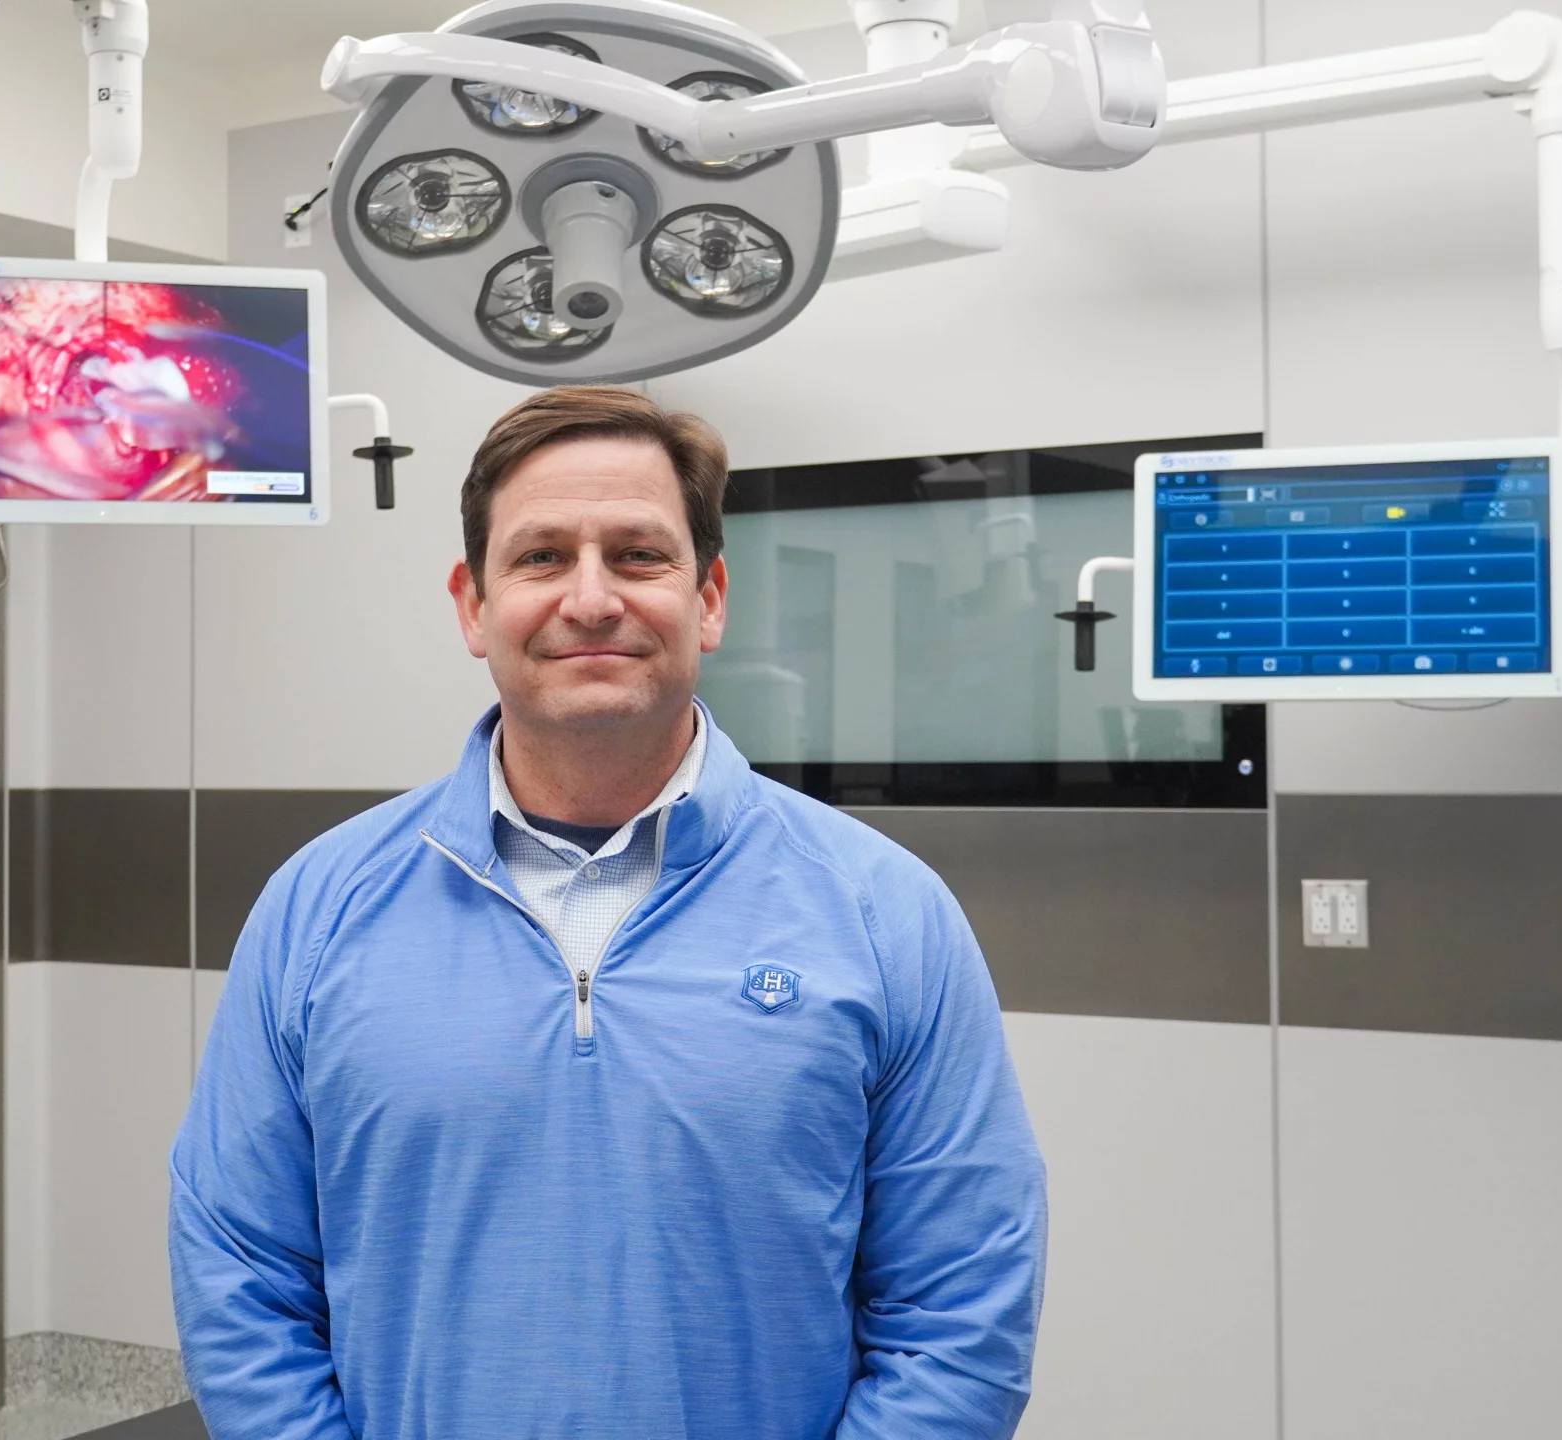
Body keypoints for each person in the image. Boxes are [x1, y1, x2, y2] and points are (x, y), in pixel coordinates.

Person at [170, 386, 1047, 1439]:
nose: (590, 600)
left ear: (709, 598)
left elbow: (960, 1311)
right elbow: (240, 1277)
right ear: (472, 605)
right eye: (541, 557)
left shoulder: (882, 911)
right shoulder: (317, 909)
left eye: (638, 556)